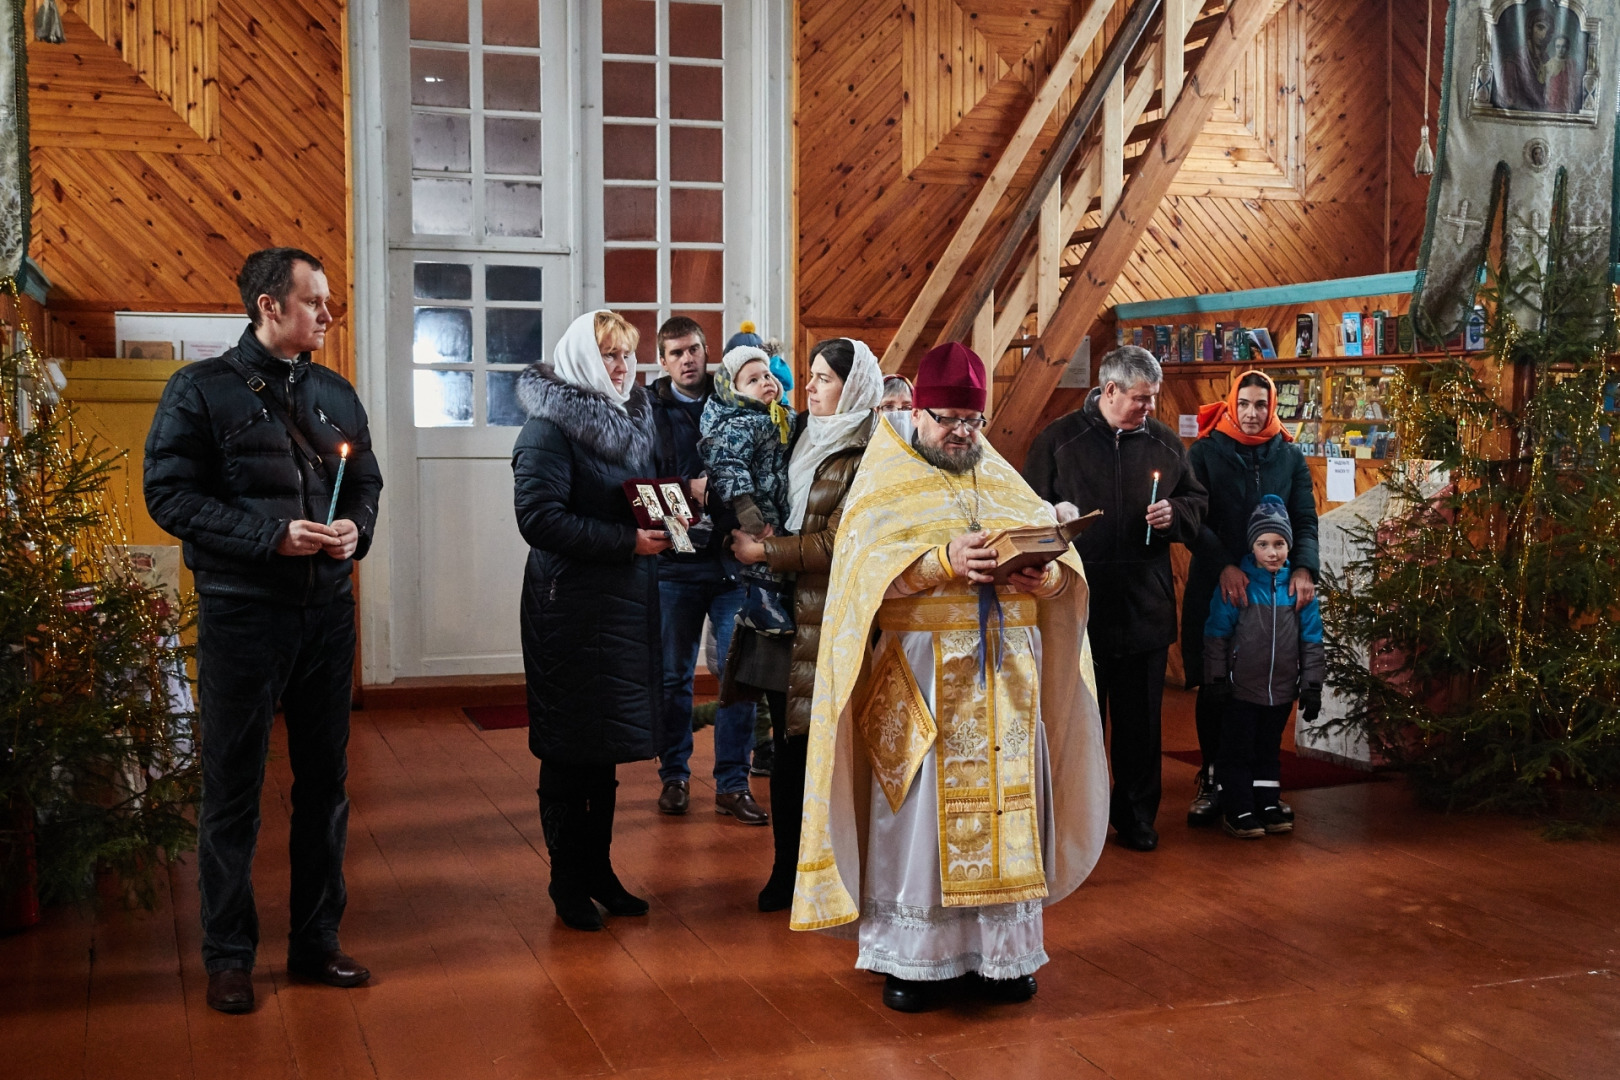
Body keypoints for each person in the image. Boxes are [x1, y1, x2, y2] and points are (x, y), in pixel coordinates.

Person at [791, 342, 1109, 1014]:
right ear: (916, 413)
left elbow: (1057, 571)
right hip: (924, 682)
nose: (961, 435)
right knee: (921, 824)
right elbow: (859, 580)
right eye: (947, 421)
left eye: (973, 423)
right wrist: (938, 561)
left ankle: (1003, 959)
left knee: (1007, 814)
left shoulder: (996, 475)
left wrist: (1042, 572)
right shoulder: (883, 479)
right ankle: (918, 961)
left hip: (1006, 688)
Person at [144, 247, 384, 1014]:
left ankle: (316, 944)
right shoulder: (199, 391)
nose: (326, 314)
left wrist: (355, 530)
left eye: (328, 303)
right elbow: (169, 495)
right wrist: (268, 537)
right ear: (268, 307)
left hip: (326, 613)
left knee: (325, 786)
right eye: (314, 302)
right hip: (244, 609)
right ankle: (228, 955)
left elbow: (367, 483)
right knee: (233, 787)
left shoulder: (336, 393)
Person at [513, 309, 670, 931]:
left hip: (623, 602)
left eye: (628, 355)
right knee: (567, 749)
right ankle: (565, 881)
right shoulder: (548, 430)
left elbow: (632, 498)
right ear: (581, 358)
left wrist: (675, 513)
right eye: (609, 355)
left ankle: (598, 871)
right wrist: (626, 543)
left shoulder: (631, 418)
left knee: (602, 748)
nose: (622, 366)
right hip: (569, 608)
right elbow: (539, 521)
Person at [1023, 345, 1207, 852]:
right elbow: (1024, 506)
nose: (1149, 408)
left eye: (1153, 398)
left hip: (1144, 605)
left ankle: (1137, 817)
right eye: (1140, 399)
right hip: (1076, 608)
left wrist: (1177, 513)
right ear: (1108, 390)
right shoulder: (1059, 440)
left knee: (1141, 726)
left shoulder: (1165, 443)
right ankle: (1073, 822)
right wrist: (1050, 516)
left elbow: (1195, 500)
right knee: (1075, 721)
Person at [731, 337, 882, 912]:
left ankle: (832, 868)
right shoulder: (794, 432)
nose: (810, 387)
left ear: (855, 387)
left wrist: (763, 554)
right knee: (786, 748)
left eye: (823, 378)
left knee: (823, 750)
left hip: (828, 617)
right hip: (777, 617)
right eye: (810, 376)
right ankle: (785, 869)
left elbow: (837, 542)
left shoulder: (872, 453)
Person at [1183, 370, 1318, 827]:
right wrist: (1225, 563)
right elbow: (1192, 518)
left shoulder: (1290, 457)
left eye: (1261, 404)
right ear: (1232, 403)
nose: (1253, 413)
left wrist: (1303, 566)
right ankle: (1214, 776)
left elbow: (1304, 518)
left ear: (1272, 406)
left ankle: (1259, 784)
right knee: (1214, 681)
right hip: (1218, 581)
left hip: (1273, 591)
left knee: (1263, 687)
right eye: (1245, 404)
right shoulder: (1205, 451)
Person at [647, 316, 765, 823]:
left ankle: (733, 784)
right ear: (663, 360)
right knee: (673, 678)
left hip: (733, 565)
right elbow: (641, 484)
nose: (687, 359)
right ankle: (673, 776)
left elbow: (762, 466)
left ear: (706, 349)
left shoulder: (734, 398)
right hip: (674, 566)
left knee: (738, 677)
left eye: (693, 349)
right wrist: (687, 495)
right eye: (676, 353)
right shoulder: (646, 410)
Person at [1203, 496, 1324, 838]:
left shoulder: (1298, 591)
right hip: (1241, 689)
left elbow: (1312, 641)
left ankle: (1267, 802)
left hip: (1281, 690)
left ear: (1289, 546)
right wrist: (1214, 680)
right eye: (1263, 544)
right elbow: (1216, 635)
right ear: (1252, 546)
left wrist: (1311, 685)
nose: (1272, 552)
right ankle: (1237, 805)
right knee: (1237, 749)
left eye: (1280, 544)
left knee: (1269, 750)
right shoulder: (1238, 587)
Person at [700, 346, 800, 641]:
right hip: (752, 500)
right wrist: (744, 508)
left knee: (779, 542)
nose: (765, 382)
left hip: (776, 494)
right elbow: (726, 464)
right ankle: (760, 603)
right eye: (752, 380)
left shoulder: (779, 415)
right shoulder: (737, 424)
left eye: (767, 375)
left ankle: (772, 598)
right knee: (762, 539)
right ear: (735, 391)